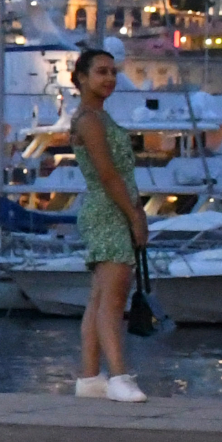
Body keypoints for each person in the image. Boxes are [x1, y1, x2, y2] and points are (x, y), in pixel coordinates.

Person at [69, 46, 148, 401]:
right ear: (82, 77)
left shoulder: (97, 116)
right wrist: (134, 215)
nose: (110, 78)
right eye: (101, 72)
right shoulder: (89, 120)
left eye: (113, 72)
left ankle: (89, 377)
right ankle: (118, 376)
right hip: (109, 210)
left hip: (109, 207)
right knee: (114, 300)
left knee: (100, 297)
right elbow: (107, 174)